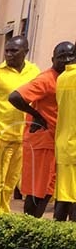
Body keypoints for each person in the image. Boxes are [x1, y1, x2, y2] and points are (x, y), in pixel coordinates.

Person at [9, 42, 74, 218]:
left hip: (59, 143)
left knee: (55, 190)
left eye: (70, 56)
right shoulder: (46, 79)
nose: (67, 60)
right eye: (61, 57)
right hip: (42, 143)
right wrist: (36, 115)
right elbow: (15, 96)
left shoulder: (68, 78)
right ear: (53, 59)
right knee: (38, 191)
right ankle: (30, 227)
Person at [0, 36, 40, 214]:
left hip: (22, 137)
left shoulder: (34, 72)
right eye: (7, 50)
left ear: (25, 52)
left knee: (10, 183)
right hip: (0, 136)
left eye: (14, 51)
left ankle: (4, 216)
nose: (9, 54)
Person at [53, 44, 76, 221]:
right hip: (73, 145)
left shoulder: (63, 77)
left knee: (64, 195)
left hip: (64, 144)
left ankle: (57, 235)